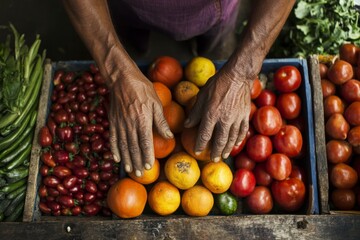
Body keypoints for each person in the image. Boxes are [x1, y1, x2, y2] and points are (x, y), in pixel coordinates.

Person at [62, 0, 296, 177]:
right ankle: (136, 45)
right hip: (128, 6)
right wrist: (116, 70)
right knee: (130, 37)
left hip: (213, 8)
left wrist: (242, 72)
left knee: (215, 45)